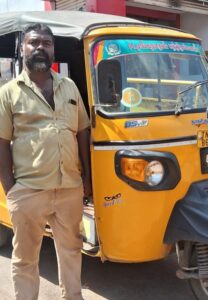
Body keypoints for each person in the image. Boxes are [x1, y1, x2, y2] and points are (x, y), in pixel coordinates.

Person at [0, 23, 91, 300]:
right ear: (23, 48)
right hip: (28, 189)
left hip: (69, 189)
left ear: (53, 50)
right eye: (34, 42)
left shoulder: (70, 86)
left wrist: (87, 178)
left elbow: (83, 131)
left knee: (72, 250)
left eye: (46, 44)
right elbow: (2, 141)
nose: (40, 48)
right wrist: (10, 187)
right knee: (26, 258)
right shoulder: (9, 92)